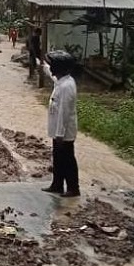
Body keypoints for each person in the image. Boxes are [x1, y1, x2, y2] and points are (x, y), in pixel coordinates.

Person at [38, 51, 80, 197]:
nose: (51, 67)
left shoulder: (66, 87)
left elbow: (64, 112)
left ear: (59, 67)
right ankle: (57, 185)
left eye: (52, 65)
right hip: (58, 131)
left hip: (64, 132)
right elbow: (52, 76)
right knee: (58, 158)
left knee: (67, 160)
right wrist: (42, 65)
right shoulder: (62, 81)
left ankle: (73, 188)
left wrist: (60, 134)